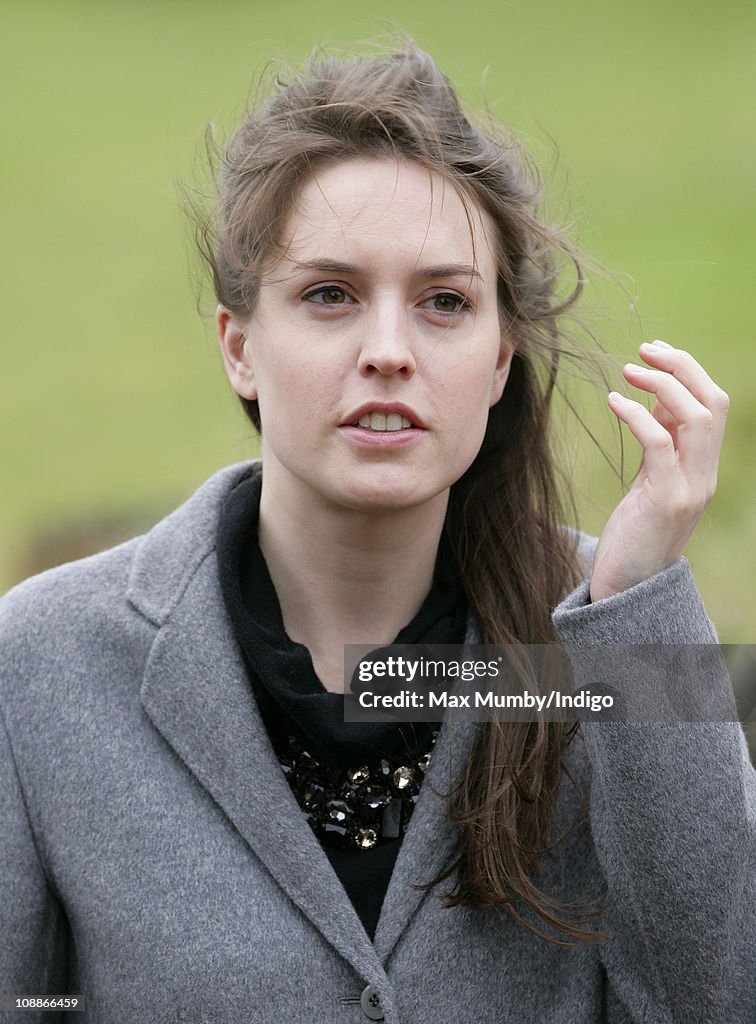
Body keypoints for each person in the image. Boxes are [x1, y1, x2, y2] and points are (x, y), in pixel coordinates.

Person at [0, 42, 753, 1024]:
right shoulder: (42, 656)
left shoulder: (621, 635)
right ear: (240, 347)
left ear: (498, 360)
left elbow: (715, 999)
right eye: (330, 295)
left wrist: (638, 607)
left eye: (445, 302)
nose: (389, 352)